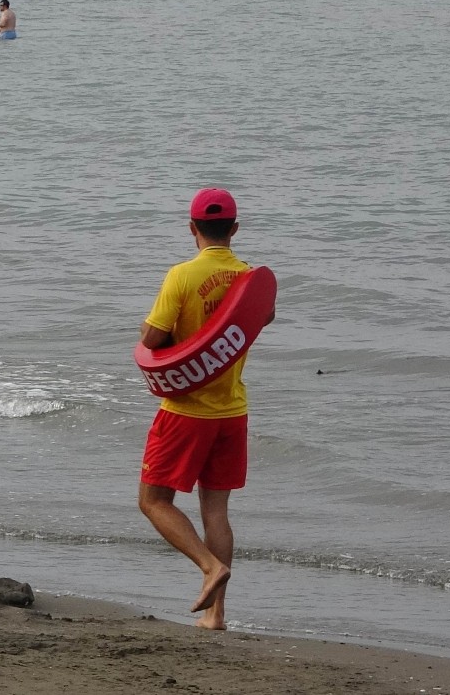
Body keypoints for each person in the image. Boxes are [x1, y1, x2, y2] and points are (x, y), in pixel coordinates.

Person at [136, 188, 273, 631]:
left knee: (153, 500)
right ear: (234, 228)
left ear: (192, 228)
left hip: (185, 409)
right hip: (232, 409)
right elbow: (261, 319)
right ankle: (216, 615)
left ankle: (208, 567)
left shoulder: (181, 275)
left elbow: (152, 341)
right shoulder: (250, 279)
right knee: (216, 512)